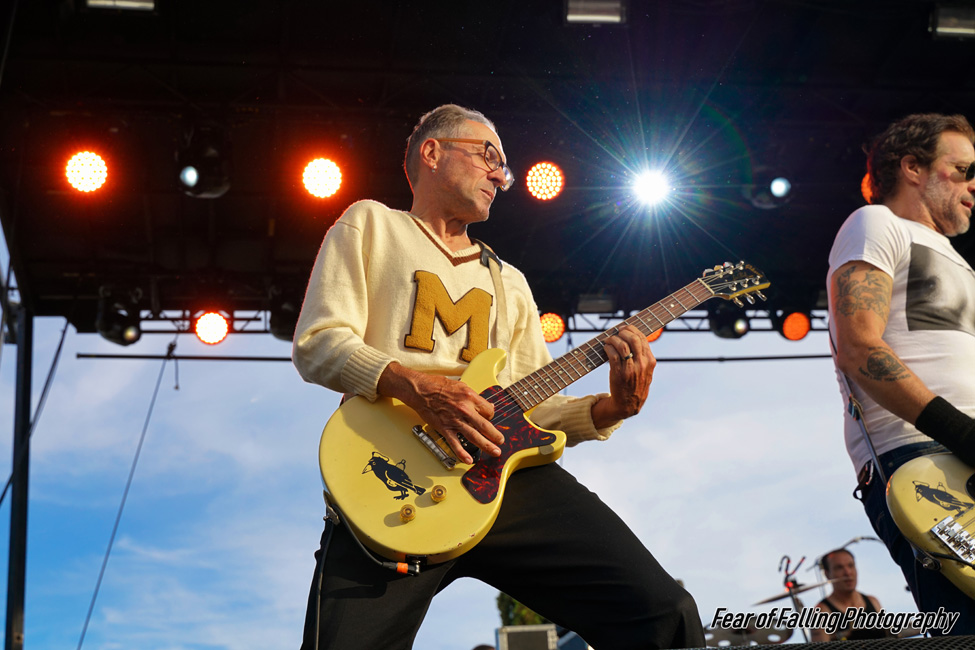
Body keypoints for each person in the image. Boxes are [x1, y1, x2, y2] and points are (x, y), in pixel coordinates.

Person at [292, 104, 704, 649]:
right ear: (432, 153)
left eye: (504, 168)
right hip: (390, 475)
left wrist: (610, 409)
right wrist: (416, 387)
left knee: (663, 613)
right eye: (489, 155)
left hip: (503, 480)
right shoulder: (371, 223)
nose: (498, 175)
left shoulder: (510, 281)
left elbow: (531, 406)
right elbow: (319, 343)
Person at [827, 112, 975, 633]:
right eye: (962, 169)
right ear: (913, 167)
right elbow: (859, 347)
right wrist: (962, 432)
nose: (973, 184)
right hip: (921, 462)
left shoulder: (960, 261)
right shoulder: (875, 224)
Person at [810, 549, 888, 641]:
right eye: (839, 568)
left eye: (851, 566)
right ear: (827, 574)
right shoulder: (821, 612)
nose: (847, 572)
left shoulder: (872, 601)